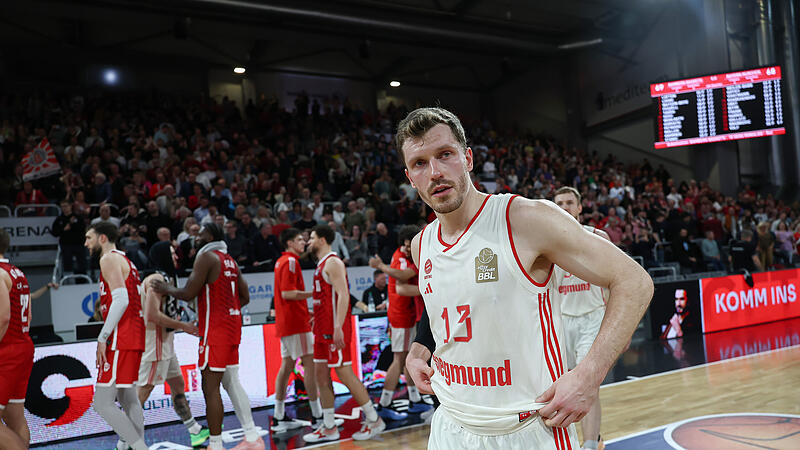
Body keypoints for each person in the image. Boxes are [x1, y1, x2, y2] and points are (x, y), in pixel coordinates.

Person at [398, 108, 652, 449]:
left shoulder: (524, 220)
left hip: (527, 428)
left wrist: (589, 375)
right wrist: (418, 349)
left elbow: (634, 282)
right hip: (451, 426)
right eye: (419, 163)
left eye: (445, 155)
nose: (435, 172)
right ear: (410, 177)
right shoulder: (421, 245)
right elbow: (445, 305)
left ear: (468, 158)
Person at [151, 223, 265, 450]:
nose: (195, 237)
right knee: (232, 382)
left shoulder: (207, 257)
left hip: (216, 331)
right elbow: (245, 297)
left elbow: (187, 293)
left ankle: (215, 444)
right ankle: (253, 437)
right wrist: (225, 310)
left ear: (210, 236)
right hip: (232, 328)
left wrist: (166, 289)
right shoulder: (230, 260)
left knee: (210, 388)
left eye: (200, 233)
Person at [302, 224, 386, 443]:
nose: (308, 242)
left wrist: (338, 326)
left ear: (322, 240)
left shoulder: (333, 262)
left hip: (334, 330)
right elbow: (326, 298)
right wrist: (318, 316)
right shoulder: (321, 264)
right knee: (321, 375)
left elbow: (343, 295)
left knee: (345, 374)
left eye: (312, 237)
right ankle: (329, 426)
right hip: (321, 329)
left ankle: (374, 419)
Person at [553, 186, 610, 450]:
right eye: (559, 203)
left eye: (568, 203)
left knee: (589, 384)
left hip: (592, 318)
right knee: (560, 387)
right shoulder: (546, 241)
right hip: (561, 320)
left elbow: (614, 282)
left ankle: (590, 444)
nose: (564, 207)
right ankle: (571, 440)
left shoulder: (598, 237)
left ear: (579, 207)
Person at [136, 242, 208, 448]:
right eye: (171, 253)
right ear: (161, 255)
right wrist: (184, 326)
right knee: (143, 392)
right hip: (154, 343)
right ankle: (125, 442)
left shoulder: (166, 278)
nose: (176, 257)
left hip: (166, 341)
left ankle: (194, 430)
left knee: (177, 385)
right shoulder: (156, 279)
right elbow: (151, 315)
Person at [85, 222, 147, 450]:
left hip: (122, 336)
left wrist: (103, 337)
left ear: (102, 238)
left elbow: (121, 300)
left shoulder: (108, 259)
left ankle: (139, 448)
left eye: (89, 238)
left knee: (102, 403)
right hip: (134, 334)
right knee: (127, 398)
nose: (86, 243)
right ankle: (129, 447)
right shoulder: (126, 260)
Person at [369, 225, 430, 419]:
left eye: (410, 245)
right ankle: (385, 403)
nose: (408, 249)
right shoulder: (401, 258)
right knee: (399, 359)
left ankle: (414, 399)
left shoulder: (406, 256)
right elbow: (402, 285)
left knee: (408, 358)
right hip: (401, 316)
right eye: (406, 245)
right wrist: (430, 289)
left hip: (406, 315)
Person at [270, 228, 322, 433]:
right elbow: (288, 294)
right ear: (290, 243)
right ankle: (317, 415)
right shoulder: (290, 262)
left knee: (286, 367)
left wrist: (305, 309)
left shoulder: (281, 261)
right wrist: (314, 293)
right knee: (310, 365)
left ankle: (278, 415)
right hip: (295, 324)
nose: (303, 242)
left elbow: (287, 296)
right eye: (300, 239)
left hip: (288, 322)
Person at [0, 229, 34, 448]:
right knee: (15, 417)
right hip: (22, 344)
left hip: (6, 349)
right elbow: (28, 316)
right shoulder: (17, 272)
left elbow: (3, 317)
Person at [52, 200, 88, 275]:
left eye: (66, 206)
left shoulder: (77, 217)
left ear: (70, 206)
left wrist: (73, 225)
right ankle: (67, 278)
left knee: (81, 264)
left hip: (78, 244)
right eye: (62, 207)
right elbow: (54, 232)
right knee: (67, 264)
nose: (64, 208)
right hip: (66, 244)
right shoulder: (59, 219)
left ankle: (82, 278)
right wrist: (63, 229)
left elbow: (83, 229)